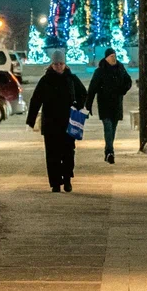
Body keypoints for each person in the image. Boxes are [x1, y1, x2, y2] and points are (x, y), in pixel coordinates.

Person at [26, 48, 87, 192]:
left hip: (68, 123)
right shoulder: (46, 80)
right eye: (56, 64)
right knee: (52, 154)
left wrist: (78, 107)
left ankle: (67, 179)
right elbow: (36, 100)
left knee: (68, 153)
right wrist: (31, 119)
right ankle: (55, 183)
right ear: (51, 65)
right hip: (51, 123)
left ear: (65, 64)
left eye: (61, 63)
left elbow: (83, 94)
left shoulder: (71, 79)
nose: (59, 66)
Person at [86, 47, 132, 164]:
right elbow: (92, 88)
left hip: (116, 104)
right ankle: (110, 152)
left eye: (114, 56)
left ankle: (108, 150)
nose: (114, 58)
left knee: (113, 129)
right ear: (106, 58)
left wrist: (123, 90)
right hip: (104, 104)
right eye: (111, 56)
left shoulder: (120, 68)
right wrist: (88, 105)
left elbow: (128, 81)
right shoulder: (100, 71)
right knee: (108, 128)